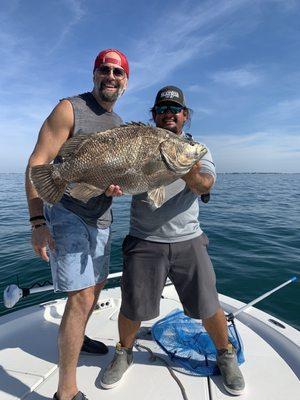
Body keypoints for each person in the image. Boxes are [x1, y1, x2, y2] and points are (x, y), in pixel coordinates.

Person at [100, 86, 245, 396]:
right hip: (144, 239)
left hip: (189, 240)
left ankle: (225, 354)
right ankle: (124, 352)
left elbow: (205, 183)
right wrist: (111, 184)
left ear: (185, 116)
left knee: (209, 304)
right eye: (161, 110)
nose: (168, 114)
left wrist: (179, 161)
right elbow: (120, 178)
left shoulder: (198, 149)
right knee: (132, 307)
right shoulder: (138, 147)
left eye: (174, 110)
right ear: (153, 116)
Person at [25, 49, 128, 400]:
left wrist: (118, 187)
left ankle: (78, 338)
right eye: (105, 70)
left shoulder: (118, 126)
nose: (111, 76)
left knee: (96, 286)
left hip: (101, 217)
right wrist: (38, 220)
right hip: (65, 212)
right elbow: (38, 163)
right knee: (82, 296)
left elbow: (116, 179)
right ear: (94, 74)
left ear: (125, 82)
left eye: (118, 72)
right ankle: (65, 392)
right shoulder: (69, 108)